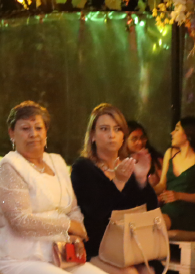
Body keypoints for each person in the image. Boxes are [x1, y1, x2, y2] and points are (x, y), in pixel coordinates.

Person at [0, 101, 105, 274]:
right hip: (18, 258)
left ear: (46, 132)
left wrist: (76, 236)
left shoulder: (57, 162)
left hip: (59, 255)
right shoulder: (9, 166)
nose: (33, 134)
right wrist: (67, 226)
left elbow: (73, 209)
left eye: (38, 128)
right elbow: (21, 222)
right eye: (25, 128)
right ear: (11, 133)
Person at [71, 104, 157, 274]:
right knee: (129, 272)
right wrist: (118, 182)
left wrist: (141, 180)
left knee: (149, 270)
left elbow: (150, 211)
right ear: (93, 135)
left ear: (123, 135)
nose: (112, 135)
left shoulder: (128, 166)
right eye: (104, 129)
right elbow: (96, 212)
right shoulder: (83, 168)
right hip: (97, 247)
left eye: (117, 129)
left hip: (131, 245)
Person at [155, 117, 195, 230]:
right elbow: (162, 185)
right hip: (169, 209)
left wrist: (179, 195)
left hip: (189, 210)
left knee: (156, 223)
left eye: (177, 129)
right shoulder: (170, 153)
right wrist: (147, 191)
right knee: (144, 221)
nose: (172, 133)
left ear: (188, 133)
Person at [126, 121, 163, 187]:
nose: (140, 142)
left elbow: (163, 185)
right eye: (134, 139)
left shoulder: (156, 160)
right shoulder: (119, 162)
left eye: (142, 138)